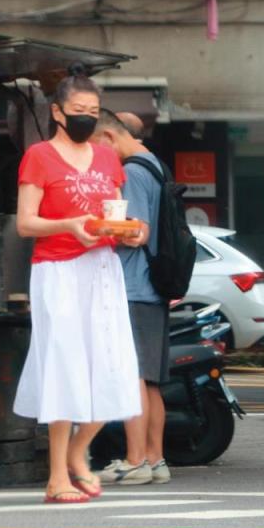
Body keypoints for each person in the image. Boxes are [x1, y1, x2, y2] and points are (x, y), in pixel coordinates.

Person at [12, 67, 142, 504]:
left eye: (92, 111)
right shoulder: (40, 157)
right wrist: (69, 223)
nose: (86, 118)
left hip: (102, 267)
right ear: (57, 112)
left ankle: (78, 453)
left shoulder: (107, 158)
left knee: (111, 363)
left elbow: (117, 215)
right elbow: (25, 224)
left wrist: (131, 233)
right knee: (65, 367)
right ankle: (56, 477)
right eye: (77, 111)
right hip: (58, 270)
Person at [91, 110, 170, 485]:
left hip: (134, 285)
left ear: (108, 137)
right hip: (151, 288)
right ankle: (154, 459)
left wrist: (97, 225)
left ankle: (135, 459)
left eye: (95, 147)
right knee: (149, 380)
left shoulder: (134, 172)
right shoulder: (155, 165)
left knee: (133, 374)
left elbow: (136, 230)